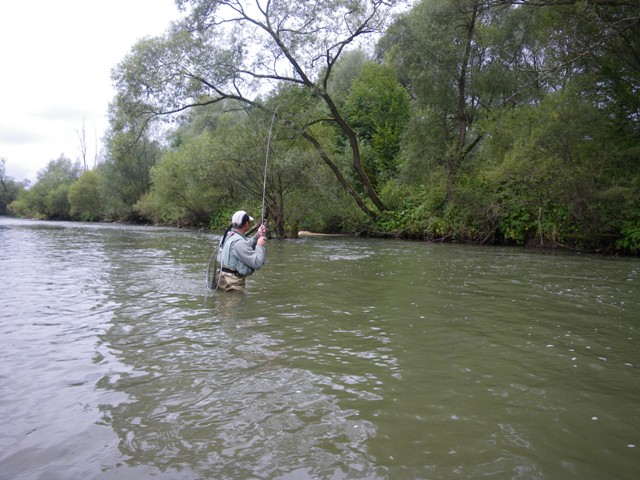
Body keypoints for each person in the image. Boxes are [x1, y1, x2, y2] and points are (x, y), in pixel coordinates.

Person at [214, 210, 267, 292]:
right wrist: (259, 245)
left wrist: (257, 236)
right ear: (246, 224)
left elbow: (243, 248)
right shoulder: (239, 242)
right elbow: (257, 263)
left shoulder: (227, 236)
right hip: (232, 284)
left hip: (221, 280)